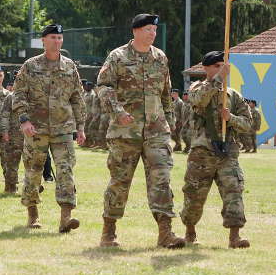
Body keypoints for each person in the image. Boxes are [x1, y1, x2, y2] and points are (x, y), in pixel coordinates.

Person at [96, 14, 184, 248]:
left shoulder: (160, 57)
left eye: (154, 30)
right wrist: (117, 111)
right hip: (125, 132)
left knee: (162, 180)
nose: (152, 33)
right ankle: (109, 232)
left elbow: (165, 92)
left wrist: (171, 118)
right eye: (147, 29)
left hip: (157, 131)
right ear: (135, 31)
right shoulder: (118, 57)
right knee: (120, 182)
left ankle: (166, 233)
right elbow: (103, 87)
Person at [13, 23, 85, 233]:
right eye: (52, 37)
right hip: (37, 129)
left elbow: (77, 98)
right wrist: (24, 120)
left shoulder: (70, 66)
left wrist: (80, 126)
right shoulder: (30, 65)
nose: (57, 41)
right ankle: (33, 214)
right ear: (43, 40)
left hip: (63, 128)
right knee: (33, 172)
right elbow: (19, 94)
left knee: (65, 171)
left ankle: (66, 217)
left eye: (59, 38)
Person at [181, 51, 252, 248]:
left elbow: (248, 124)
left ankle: (235, 236)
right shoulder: (197, 88)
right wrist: (219, 79)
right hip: (202, 153)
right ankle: (190, 231)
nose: (223, 69)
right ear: (206, 68)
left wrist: (231, 119)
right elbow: (199, 100)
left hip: (227, 152)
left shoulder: (233, 95)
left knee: (233, 191)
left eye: (224, 66)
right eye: (217, 66)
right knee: (194, 194)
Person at [0, 81, 24, 194]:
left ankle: (31, 186)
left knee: (32, 162)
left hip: (31, 135)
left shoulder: (34, 97)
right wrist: (5, 131)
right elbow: (4, 116)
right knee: (12, 162)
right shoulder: (10, 97)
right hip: (14, 135)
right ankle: (11, 186)